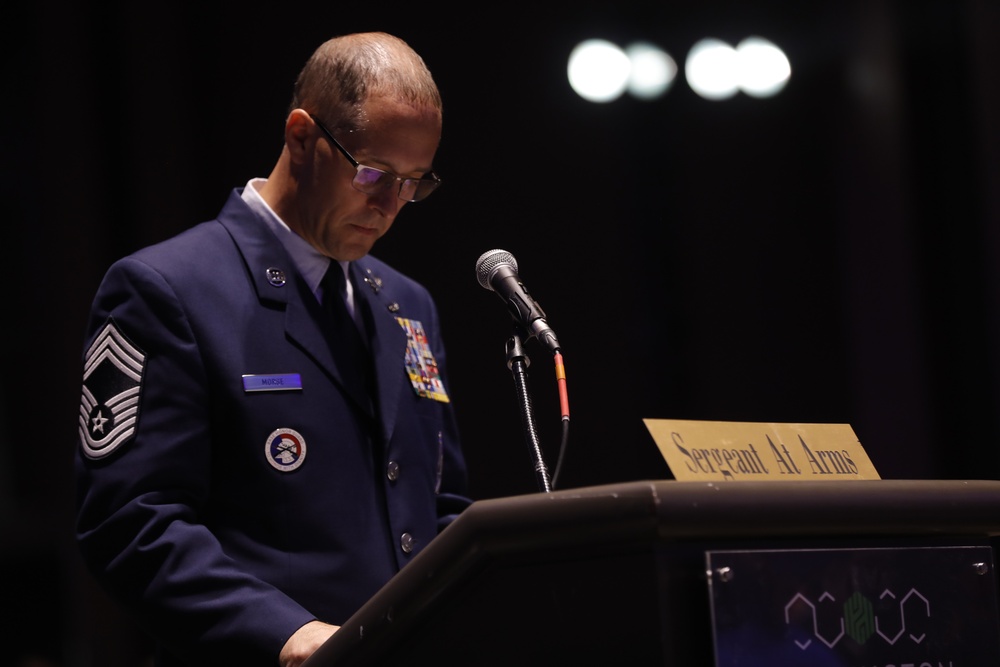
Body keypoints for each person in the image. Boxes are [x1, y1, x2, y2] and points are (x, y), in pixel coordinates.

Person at [74, 32, 471, 667]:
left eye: (413, 184)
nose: (390, 204)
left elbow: (439, 507)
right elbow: (131, 523)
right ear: (301, 136)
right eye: (372, 172)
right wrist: (287, 634)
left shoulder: (406, 303)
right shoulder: (169, 288)